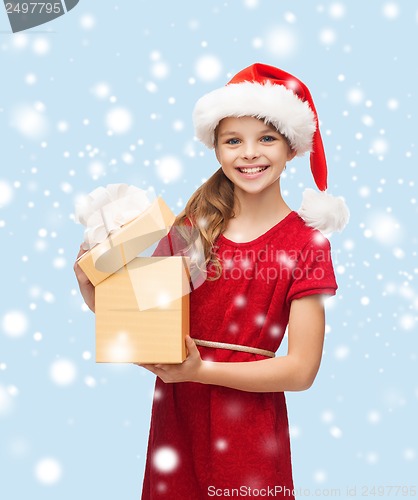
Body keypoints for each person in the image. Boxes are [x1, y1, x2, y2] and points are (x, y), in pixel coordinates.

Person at [74, 63, 348, 499]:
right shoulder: (196, 226)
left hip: (249, 437)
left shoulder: (306, 244)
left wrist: (201, 370)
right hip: (178, 426)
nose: (249, 153)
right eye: (233, 140)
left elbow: (300, 371)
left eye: (267, 139)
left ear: (292, 147)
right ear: (216, 148)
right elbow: (147, 317)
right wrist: (94, 289)